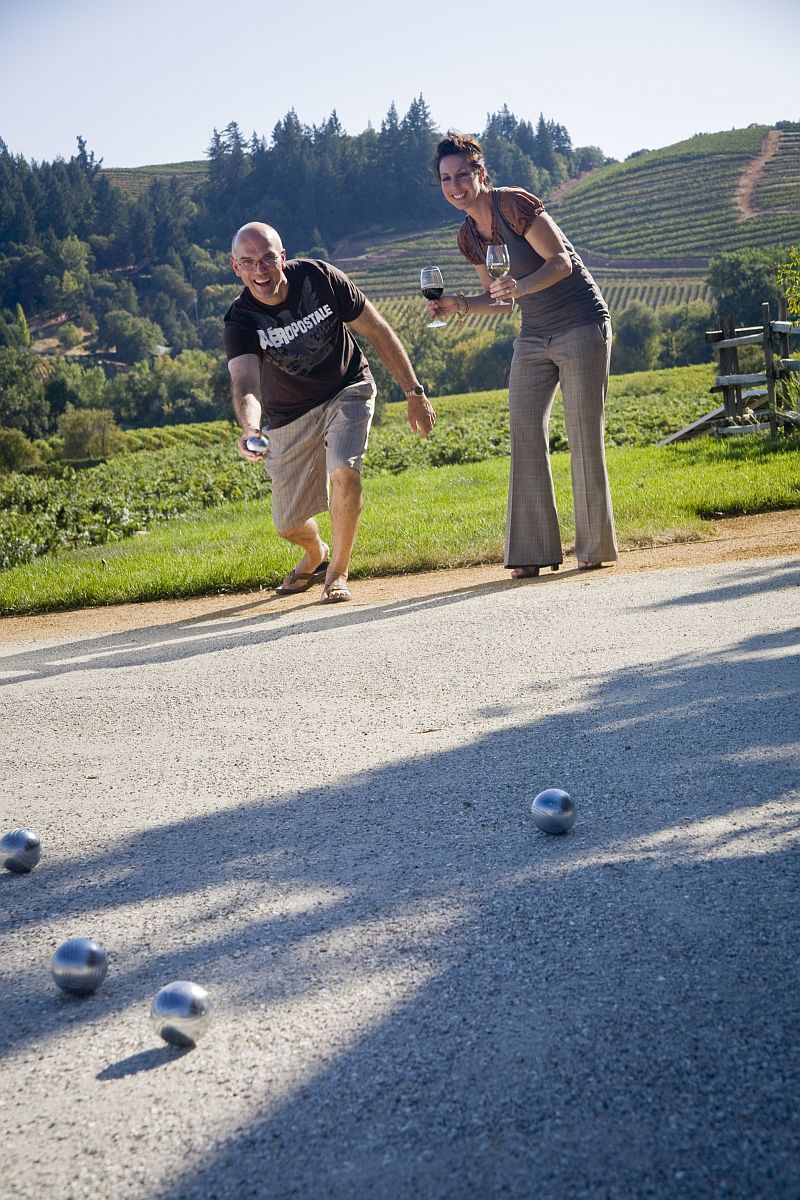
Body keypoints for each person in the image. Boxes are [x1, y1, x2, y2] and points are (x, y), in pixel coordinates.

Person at [428, 132, 618, 577]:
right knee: (525, 433)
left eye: (462, 175)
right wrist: (460, 303)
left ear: (480, 173)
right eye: (445, 179)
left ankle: (593, 546)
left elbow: (561, 263)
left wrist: (520, 286)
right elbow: (498, 300)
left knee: (582, 433)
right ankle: (532, 552)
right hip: (533, 335)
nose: (455, 186)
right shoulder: (468, 236)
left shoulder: (512, 204)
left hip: (580, 323)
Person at [224, 222, 436, 602]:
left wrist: (414, 391)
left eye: (268, 259)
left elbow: (378, 331)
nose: (261, 270)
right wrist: (250, 427)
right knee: (287, 524)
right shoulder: (241, 319)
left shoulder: (320, 278)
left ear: (283, 258)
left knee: (344, 471)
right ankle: (316, 554)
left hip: (347, 387)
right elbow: (245, 382)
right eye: (249, 262)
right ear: (235, 267)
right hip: (289, 413)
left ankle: (337, 573)